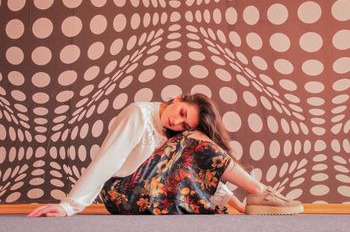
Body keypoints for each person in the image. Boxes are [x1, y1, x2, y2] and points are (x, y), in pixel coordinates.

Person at [27, 93, 302, 217]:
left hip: (148, 191)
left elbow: (194, 169)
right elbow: (108, 159)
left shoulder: (177, 137)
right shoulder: (139, 113)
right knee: (198, 141)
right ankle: (260, 191)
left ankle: (255, 196)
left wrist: (236, 205)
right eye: (181, 113)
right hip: (120, 192)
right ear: (175, 99)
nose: (177, 122)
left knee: (197, 143)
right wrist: (70, 205)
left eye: (185, 124)